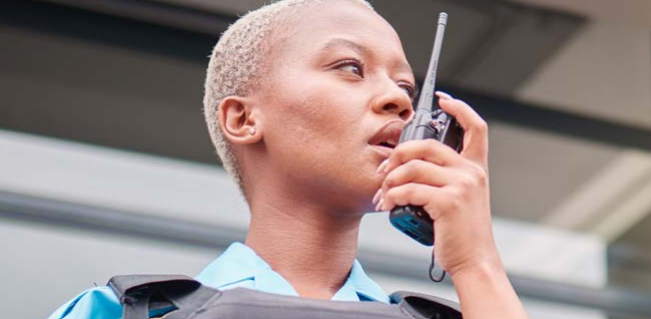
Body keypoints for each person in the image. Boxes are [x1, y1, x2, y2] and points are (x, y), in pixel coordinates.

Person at [47, 0, 529, 318]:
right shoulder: (122, 312)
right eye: (350, 67)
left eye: (406, 87)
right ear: (243, 119)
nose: (399, 101)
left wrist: (476, 262)